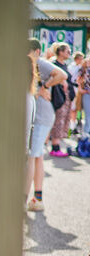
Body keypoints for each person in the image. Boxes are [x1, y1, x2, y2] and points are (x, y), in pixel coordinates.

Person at [27, 39, 67, 211]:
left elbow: (62, 75)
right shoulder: (35, 63)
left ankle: (26, 200)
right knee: (37, 157)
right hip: (42, 115)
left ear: (36, 51)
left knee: (31, 157)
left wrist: (44, 85)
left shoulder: (39, 63)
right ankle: (37, 198)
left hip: (42, 116)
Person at [50, 42, 76, 157]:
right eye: (67, 51)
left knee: (64, 121)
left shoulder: (64, 65)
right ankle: (55, 148)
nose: (69, 53)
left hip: (66, 97)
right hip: (58, 97)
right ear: (60, 52)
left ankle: (57, 146)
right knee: (58, 122)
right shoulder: (53, 64)